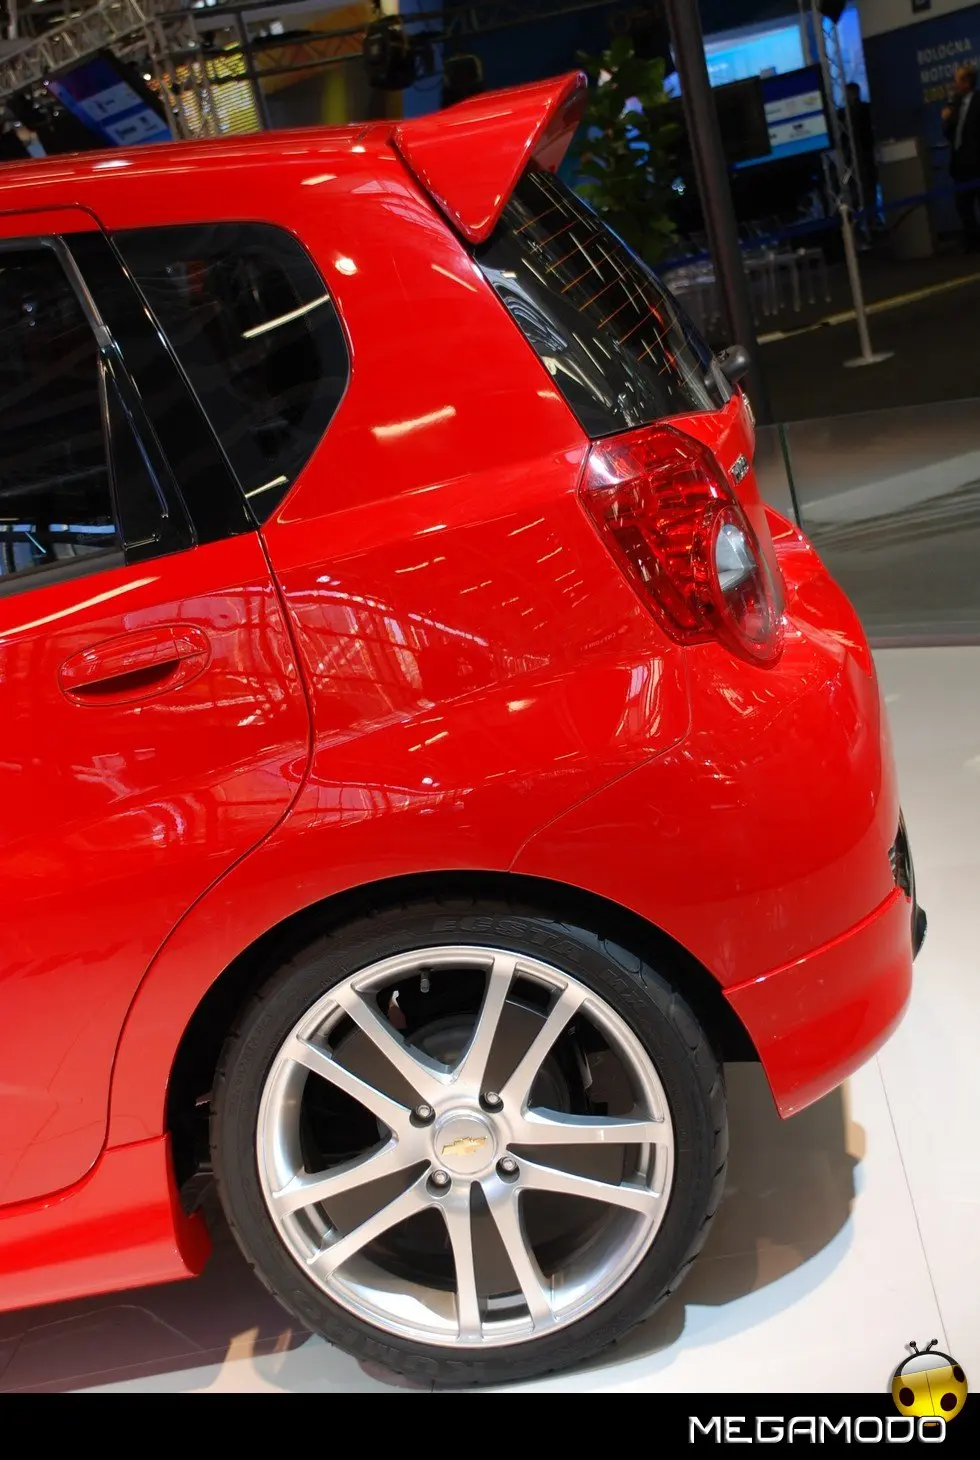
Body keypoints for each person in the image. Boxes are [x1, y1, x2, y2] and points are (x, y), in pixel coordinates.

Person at [943, 63, 980, 253]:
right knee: (963, 205)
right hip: (960, 164)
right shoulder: (955, 104)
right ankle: (972, 241)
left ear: (967, 82)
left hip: (977, 162)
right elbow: (950, 134)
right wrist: (947, 119)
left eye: (957, 80)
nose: (954, 84)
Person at [839, 82, 879, 221]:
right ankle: (869, 218)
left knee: (861, 188)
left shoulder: (845, 113)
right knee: (866, 188)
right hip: (860, 156)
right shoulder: (865, 109)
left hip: (857, 156)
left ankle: (864, 219)